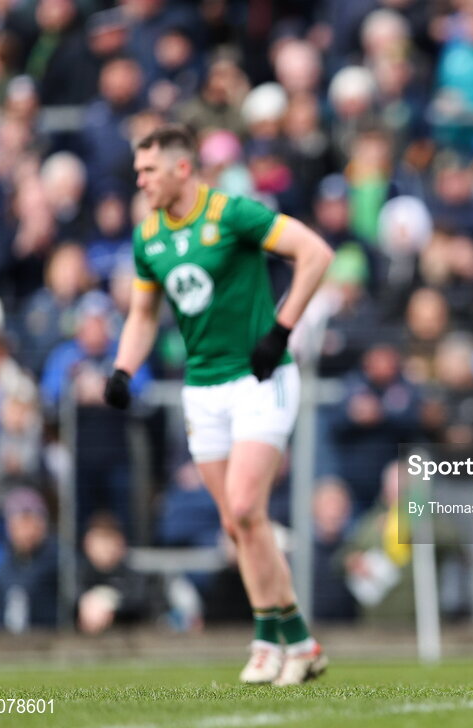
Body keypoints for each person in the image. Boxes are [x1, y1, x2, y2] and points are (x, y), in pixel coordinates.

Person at [103, 124, 333, 685]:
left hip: (260, 377)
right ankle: (297, 642)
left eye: (149, 171)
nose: (141, 181)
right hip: (201, 387)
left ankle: (265, 639)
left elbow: (315, 253)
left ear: (183, 169)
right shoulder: (148, 236)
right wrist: (122, 369)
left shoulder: (232, 213)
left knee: (246, 506)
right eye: (138, 172)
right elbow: (142, 314)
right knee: (236, 522)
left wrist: (280, 330)